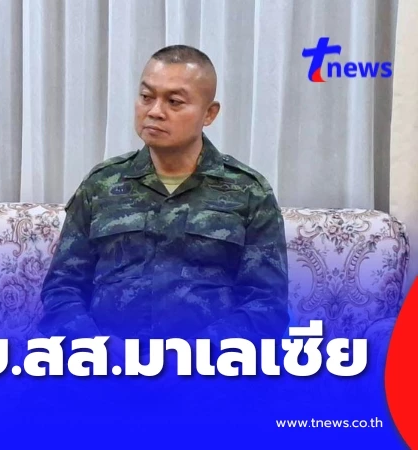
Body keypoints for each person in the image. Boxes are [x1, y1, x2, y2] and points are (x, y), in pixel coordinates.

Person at [38, 45, 289, 356]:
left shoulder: (248, 192)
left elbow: (266, 305)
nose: (155, 111)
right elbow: (62, 288)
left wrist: (191, 357)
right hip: (105, 367)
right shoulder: (102, 184)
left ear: (209, 113)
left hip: (209, 371)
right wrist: (96, 347)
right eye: (147, 97)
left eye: (174, 102)